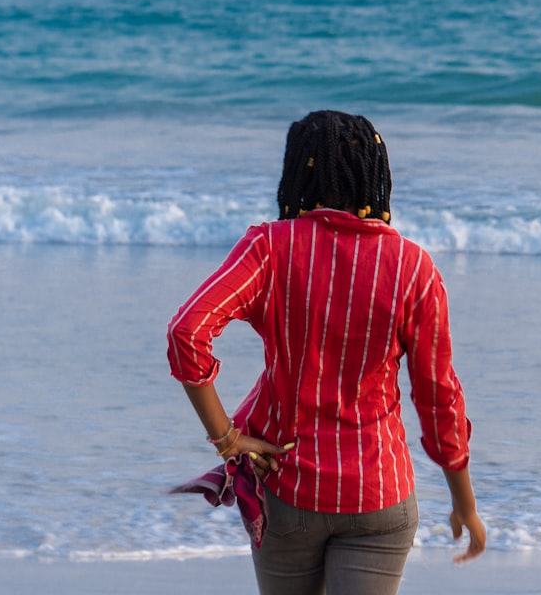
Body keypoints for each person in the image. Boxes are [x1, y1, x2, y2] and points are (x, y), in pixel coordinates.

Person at [167, 110, 485, 594]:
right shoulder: (412, 268)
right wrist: (465, 503)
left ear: (297, 171)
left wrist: (229, 440)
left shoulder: (269, 249)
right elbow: (438, 398)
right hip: (379, 493)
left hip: (289, 488)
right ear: (374, 176)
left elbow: (186, 332)